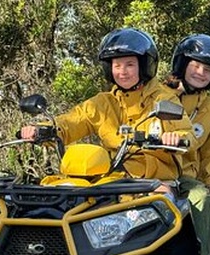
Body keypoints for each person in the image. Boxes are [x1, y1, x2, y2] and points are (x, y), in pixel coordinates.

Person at [20, 27, 194, 190]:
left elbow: (187, 133)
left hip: (154, 180)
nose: (122, 71)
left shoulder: (163, 98)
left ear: (144, 66)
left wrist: (174, 137)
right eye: (117, 66)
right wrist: (41, 130)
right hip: (112, 176)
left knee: (161, 203)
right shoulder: (103, 103)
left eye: (130, 65)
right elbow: (71, 121)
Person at [164, 34, 210, 255]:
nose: (201, 72)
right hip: (147, 172)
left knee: (202, 200)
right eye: (196, 65)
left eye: (208, 69)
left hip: (184, 178)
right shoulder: (160, 93)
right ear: (182, 64)